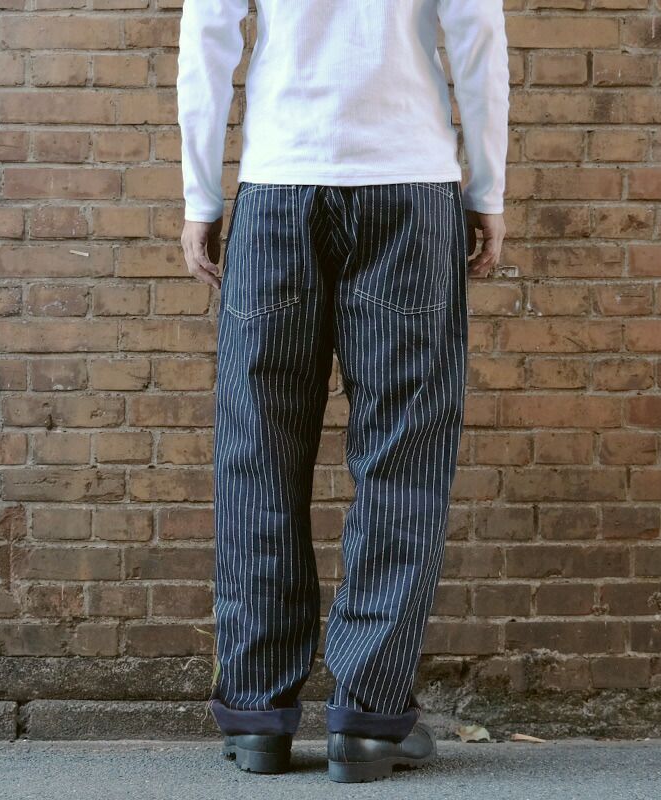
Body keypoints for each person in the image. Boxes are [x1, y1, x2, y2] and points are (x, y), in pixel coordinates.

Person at [176, 0, 509, 783]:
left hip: (279, 183)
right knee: (403, 459)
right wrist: (488, 189)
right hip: (408, 184)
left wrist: (200, 197)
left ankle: (258, 716)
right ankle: (368, 719)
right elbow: (477, 36)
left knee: (258, 454)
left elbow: (207, 38)